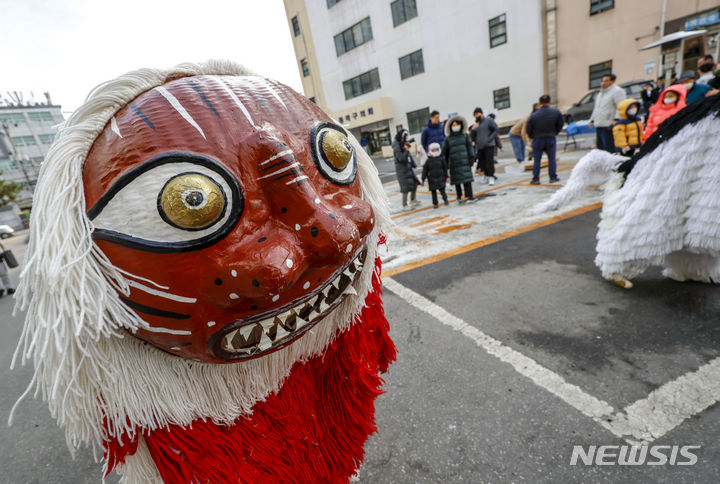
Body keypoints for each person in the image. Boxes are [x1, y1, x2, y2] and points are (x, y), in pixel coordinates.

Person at [526, 94, 563, 185]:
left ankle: (535, 179)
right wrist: (554, 132)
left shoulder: (533, 115)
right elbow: (560, 124)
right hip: (550, 138)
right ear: (550, 102)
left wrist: (533, 137)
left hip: (538, 139)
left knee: (537, 160)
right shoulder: (556, 112)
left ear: (539, 103)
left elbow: (528, 129)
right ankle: (553, 177)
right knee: (551, 159)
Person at [442, 115, 476, 204]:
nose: (455, 126)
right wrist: (444, 163)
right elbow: (444, 152)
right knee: (457, 181)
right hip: (454, 163)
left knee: (467, 180)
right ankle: (459, 196)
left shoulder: (465, 136)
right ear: (450, 127)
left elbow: (470, 147)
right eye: (453, 125)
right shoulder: (448, 139)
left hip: (465, 161)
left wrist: (472, 157)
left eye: (457, 124)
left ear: (460, 124)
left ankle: (470, 196)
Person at [589, 73, 625, 153]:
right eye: (602, 81)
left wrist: (616, 119)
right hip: (599, 123)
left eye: (606, 81)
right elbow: (596, 108)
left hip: (609, 124)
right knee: (600, 147)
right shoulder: (601, 93)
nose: (603, 83)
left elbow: (620, 106)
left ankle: (611, 163)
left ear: (612, 81)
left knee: (609, 147)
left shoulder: (617, 91)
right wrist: (592, 120)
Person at [392, 129, 421, 211]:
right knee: (405, 188)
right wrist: (406, 149)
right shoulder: (397, 146)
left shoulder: (403, 143)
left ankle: (413, 199)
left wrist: (414, 164)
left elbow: (408, 156)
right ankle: (404, 205)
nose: (407, 137)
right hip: (402, 170)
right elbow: (401, 158)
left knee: (415, 183)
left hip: (408, 168)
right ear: (402, 136)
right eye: (406, 136)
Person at [469, 107, 498, 185]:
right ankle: (485, 175)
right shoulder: (476, 124)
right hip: (480, 146)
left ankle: (491, 176)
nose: (475, 116)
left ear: (481, 113)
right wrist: (472, 130)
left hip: (489, 145)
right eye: (474, 115)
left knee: (489, 161)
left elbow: (495, 129)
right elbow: (472, 136)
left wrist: (490, 138)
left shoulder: (489, 121)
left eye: (476, 114)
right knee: (482, 162)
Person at [422, 142, 449, 209]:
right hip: (432, 179)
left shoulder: (441, 159)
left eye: (436, 150)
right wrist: (423, 179)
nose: (435, 151)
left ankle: (445, 199)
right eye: (433, 150)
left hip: (441, 177)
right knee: (433, 192)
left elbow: (445, 168)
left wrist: (446, 176)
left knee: (442, 190)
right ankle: (435, 203)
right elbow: (425, 170)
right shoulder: (428, 160)